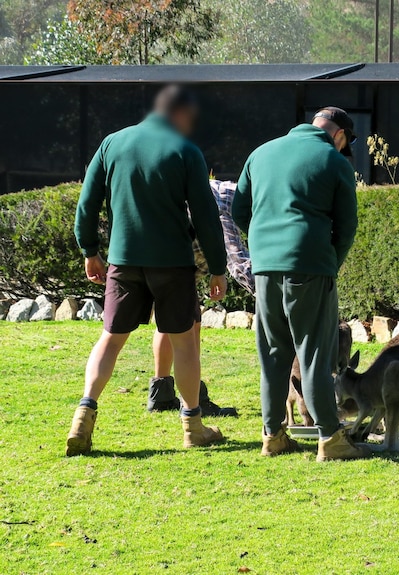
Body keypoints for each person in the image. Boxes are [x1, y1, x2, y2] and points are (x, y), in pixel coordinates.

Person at [66, 85, 228, 456]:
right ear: (182, 114)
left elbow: (87, 203)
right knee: (184, 341)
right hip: (173, 263)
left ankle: (83, 414)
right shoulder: (186, 151)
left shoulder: (112, 144)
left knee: (110, 338)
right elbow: (206, 215)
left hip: (124, 260)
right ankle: (193, 427)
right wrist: (218, 268)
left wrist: (89, 249)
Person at [233, 106, 368, 461]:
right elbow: (347, 227)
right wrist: (329, 263)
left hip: (265, 269)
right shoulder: (334, 161)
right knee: (314, 353)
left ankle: (273, 435)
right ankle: (330, 438)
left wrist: (264, 248)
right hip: (311, 268)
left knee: (273, 354)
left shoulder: (260, 153)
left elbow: (240, 211)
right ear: (340, 135)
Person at [148, 180, 252, 417]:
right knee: (190, 326)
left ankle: (161, 394)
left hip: (166, 251)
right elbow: (238, 261)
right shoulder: (230, 202)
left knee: (169, 320)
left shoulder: (225, 191)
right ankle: (194, 401)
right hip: (185, 260)